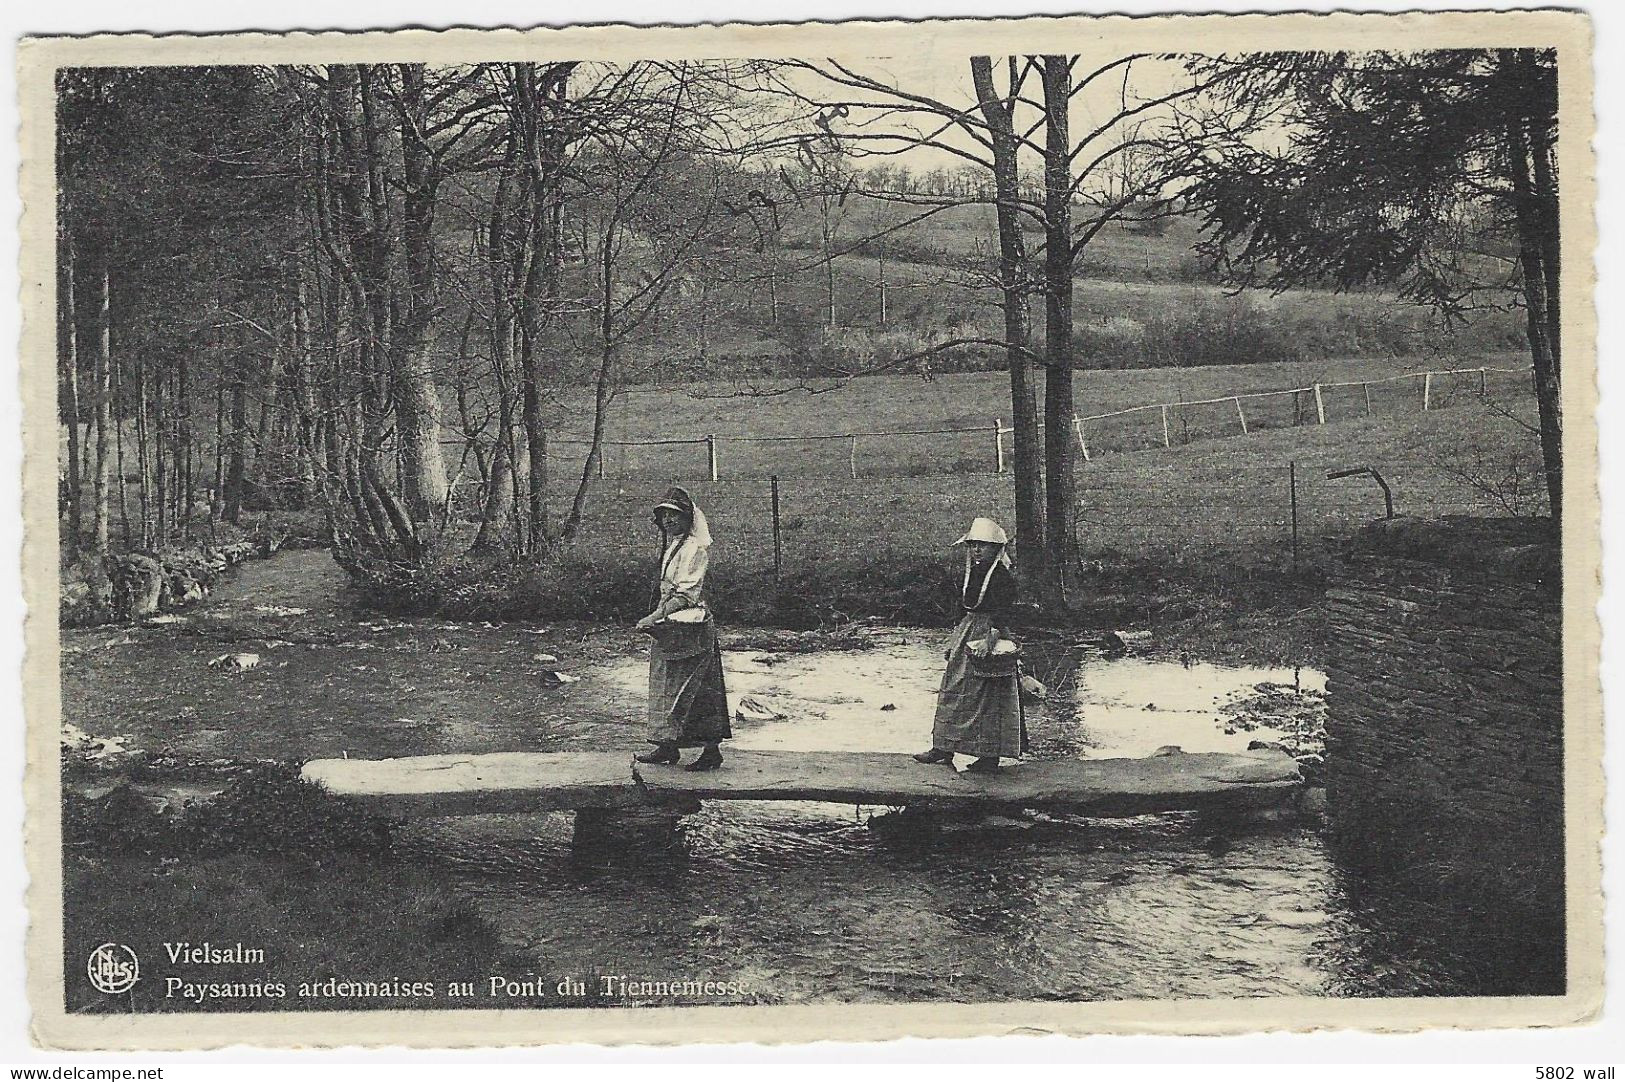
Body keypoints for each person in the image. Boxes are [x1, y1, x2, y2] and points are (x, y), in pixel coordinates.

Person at [914, 516, 1023, 774]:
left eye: (982, 546)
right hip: (969, 630)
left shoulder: (1001, 577)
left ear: (996, 549)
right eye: (973, 545)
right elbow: (963, 610)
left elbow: (1004, 611)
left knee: (988, 696)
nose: (976, 550)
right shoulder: (973, 572)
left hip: (990, 634)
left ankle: (989, 756)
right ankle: (943, 747)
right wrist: (954, 641)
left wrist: (990, 640)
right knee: (953, 687)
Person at [634, 486, 731, 771]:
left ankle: (711, 752)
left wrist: (654, 616)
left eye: (675, 516)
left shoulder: (694, 550)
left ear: (688, 519)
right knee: (665, 685)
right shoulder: (673, 547)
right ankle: (667, 746)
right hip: (672, 626)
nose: (669, 521)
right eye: (665, 516)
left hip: (691, 626)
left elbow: (686, 594)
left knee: (698, 689)